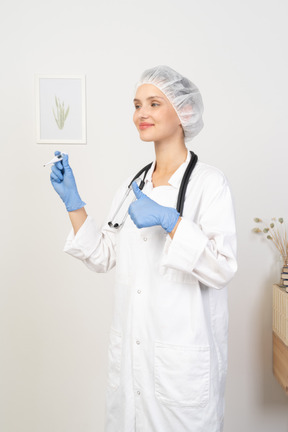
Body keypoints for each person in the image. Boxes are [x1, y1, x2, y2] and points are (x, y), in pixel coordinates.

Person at [50, 65, 237, 432]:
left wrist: (172, 223)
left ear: (184, 113)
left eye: (154, 103)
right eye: (137, 105)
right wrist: (74, 202)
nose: (142, 114)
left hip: (180, 370)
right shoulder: (133, 184)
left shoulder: (209, 184)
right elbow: (104, 256)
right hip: (133, 362)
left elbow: (223, 268)